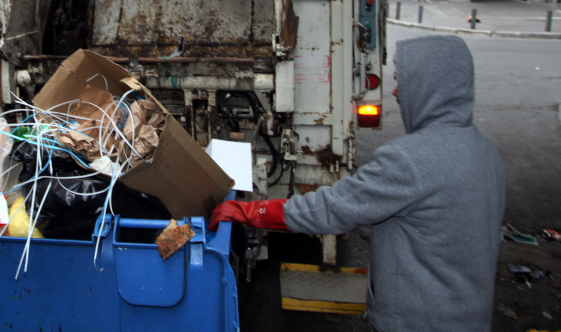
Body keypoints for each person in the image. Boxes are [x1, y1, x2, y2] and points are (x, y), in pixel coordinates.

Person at [210, 35, 506, 332]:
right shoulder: (485, 152)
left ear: (429, 86)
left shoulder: (410, 161)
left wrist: (252, 212)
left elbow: (333, 209)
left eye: (403, 80)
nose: (395, 91)